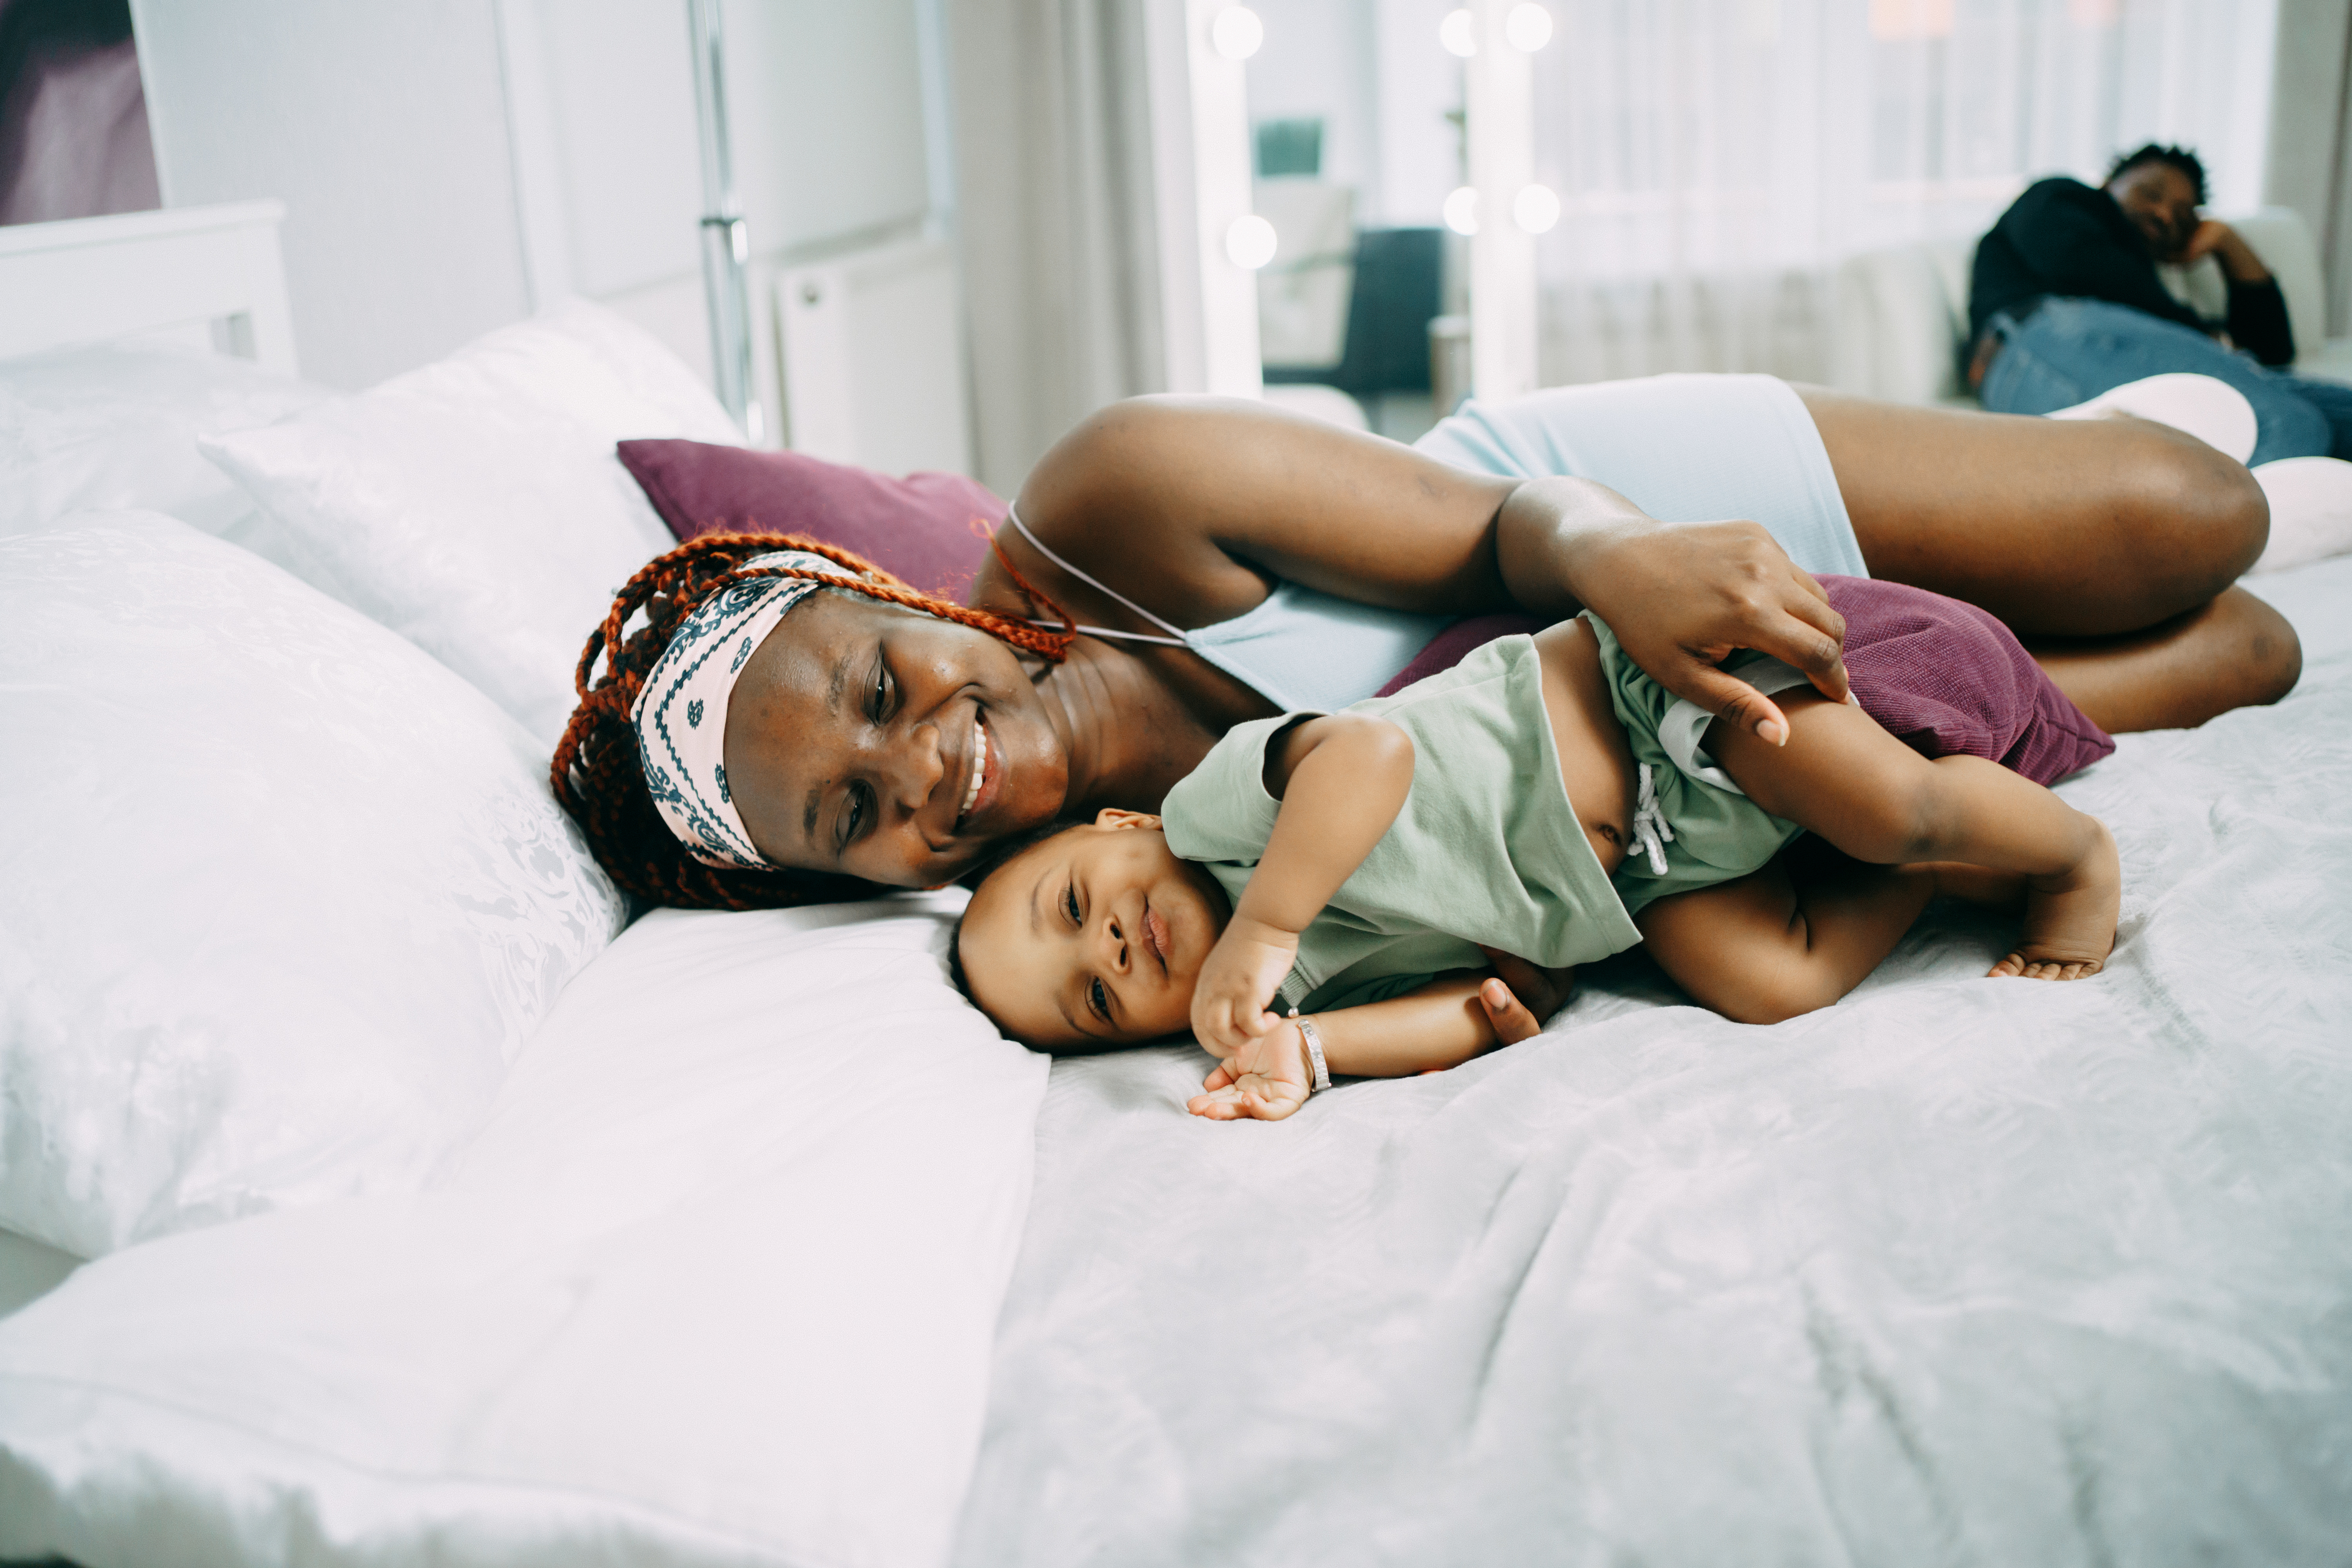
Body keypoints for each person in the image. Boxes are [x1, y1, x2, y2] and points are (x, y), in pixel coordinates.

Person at [554, 376, 2297, 1042]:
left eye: (879, 686)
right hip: (1718, 763)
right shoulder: (1079, 911)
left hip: (1615, 545)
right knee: (2236, 659)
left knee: (2190, 517)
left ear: (895, 599)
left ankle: (2098, 434)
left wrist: (1622, 555)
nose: (922, 759)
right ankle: (2010, 605)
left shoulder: (1116, 500)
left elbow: (1492, 528)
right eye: (853, 813)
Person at [948, 574, 2117, 1119]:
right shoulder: (1290, 985)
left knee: (1884, 803)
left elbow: (1368, 759)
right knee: (1772, 982)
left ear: (1119, 827)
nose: (1106, 949)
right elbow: (1478, 997)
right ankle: (1922, 874)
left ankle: (2064, 857)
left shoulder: (1212, 809)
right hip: (1654, 876)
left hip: (1656, 710)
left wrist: (1263, 924)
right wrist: (1310, 1051)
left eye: (1069, 908)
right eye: (1095, 1000)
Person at [1969, 143, 2352, 466]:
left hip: (2109, 340)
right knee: (2292, 426)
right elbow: (2077, 264)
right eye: (2150, 194)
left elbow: (2272, 353)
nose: (2165, 214)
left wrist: (2226, 242)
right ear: (2110, 184)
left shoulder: (2150, 303)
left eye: (2184, 216)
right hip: (2037, 335)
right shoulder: (2061, 198)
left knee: (2337, 416)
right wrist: (2205, 333)